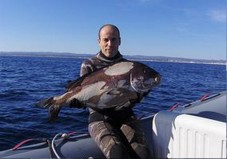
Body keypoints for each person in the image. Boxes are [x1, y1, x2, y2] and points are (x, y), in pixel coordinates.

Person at [79, 24, 151, 159]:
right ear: (99, 41)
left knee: (143, 154)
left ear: (120, 41)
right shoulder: (89, 65)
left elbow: (136, 96)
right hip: (100, 118)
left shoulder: (129, 67)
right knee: (117, 153)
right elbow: (85, 96)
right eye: (106, 39)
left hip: (126, 116)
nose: (110, 44)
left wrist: (141, 93)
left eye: (114, 39)